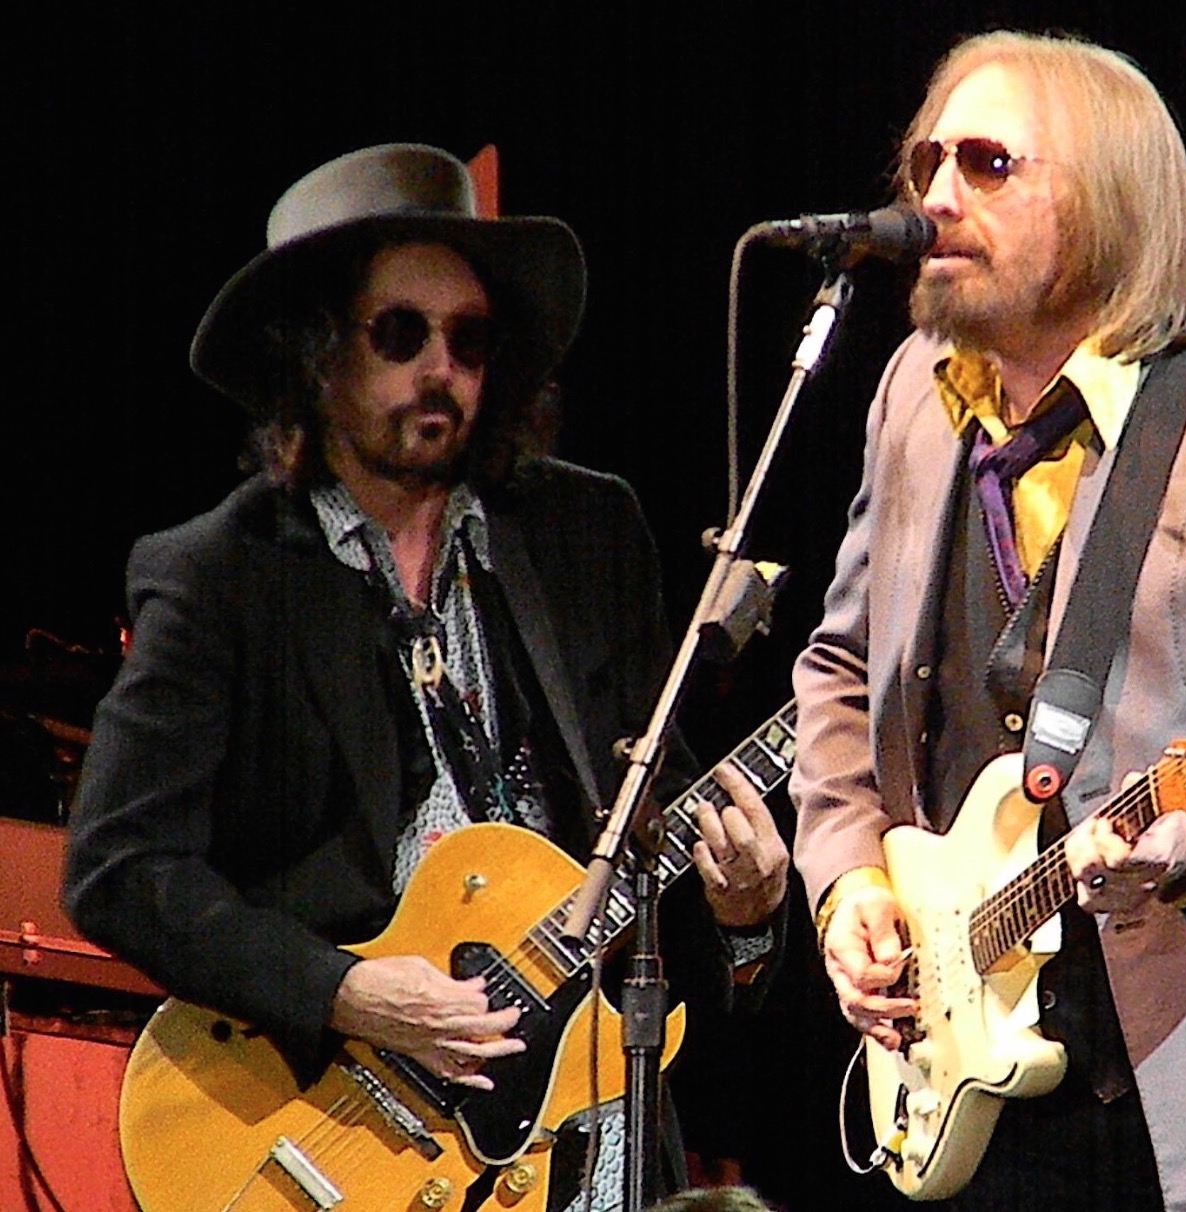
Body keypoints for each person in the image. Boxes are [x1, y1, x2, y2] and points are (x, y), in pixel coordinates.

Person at [64, 143, 788, 1210]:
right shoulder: (221, 573)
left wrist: (745, 909)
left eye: (469, 339)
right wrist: (347, 991)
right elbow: (119, 867)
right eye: (400, 334)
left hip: (580, 1131)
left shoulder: (584, 535)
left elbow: (652, 809)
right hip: (337, 1123)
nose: (439, 368)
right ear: (317, 354)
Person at [791, 31, 1186, 1212]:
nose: (934, 197)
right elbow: (835, 669)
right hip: (965, 1057)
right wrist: (845, 883)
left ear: (1111, 201)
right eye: (928, 161)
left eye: (986, 164)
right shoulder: (915, 399)